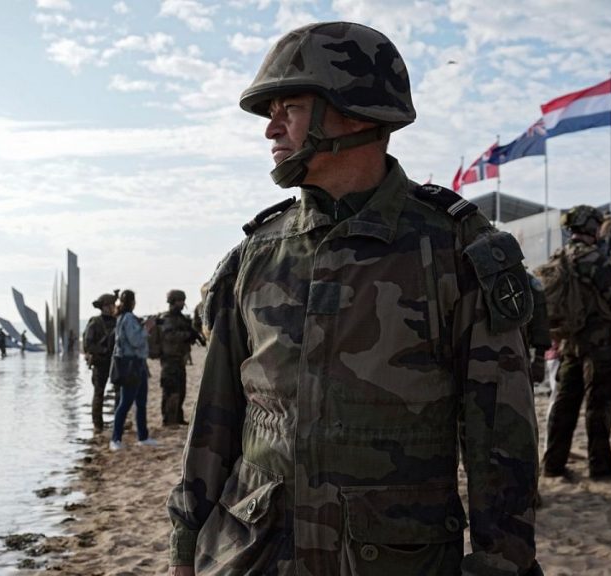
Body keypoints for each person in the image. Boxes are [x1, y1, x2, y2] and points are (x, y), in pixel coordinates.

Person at [166, 22, 541, 576]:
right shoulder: (256, 255)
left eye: (288, 108)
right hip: (253, 554)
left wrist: (501, 564)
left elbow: (501, 440)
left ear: (357, 112)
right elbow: (214, 423)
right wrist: (184, 548)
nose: (270, 129)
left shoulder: (454, 251)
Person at [543, 205, 611, 479]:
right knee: (599, 405)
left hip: (569, 344)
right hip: (597, 346)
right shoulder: (594, 259)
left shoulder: (560, 256)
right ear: (590, 226)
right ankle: (600, 465)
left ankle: (552, 464)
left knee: (565, 405)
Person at [109, 289, 157, 451]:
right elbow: (135, 340)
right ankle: (115, 439)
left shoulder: (123, 317)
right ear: (132, 302)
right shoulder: (128, 318)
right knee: (125, 403)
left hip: (138, 364)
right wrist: (147, 328)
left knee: (141, 402)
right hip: (132, 365)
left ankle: (143, 437)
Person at [148, 289, 204, 426]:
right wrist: (187, 335)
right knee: (171, 390)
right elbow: (170, 336)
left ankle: (177, 417)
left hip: (179, 359)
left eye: (183, 300)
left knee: (181, 390)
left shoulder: (180, 318)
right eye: (180, 300)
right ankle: (169, 420)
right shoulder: (167, 318)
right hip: (169, 359)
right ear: (173, 301)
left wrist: (193, 335)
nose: (182, 303)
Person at [83, 293, 118, 432]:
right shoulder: (95, 322)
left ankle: (118, 421)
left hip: (114, 362)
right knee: (99, 393)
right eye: (111, 305)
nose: (113, 308)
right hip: (100, 362)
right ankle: (98, 424)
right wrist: (103, 350)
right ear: (104, 307)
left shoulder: (117, 321)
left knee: (119, 392)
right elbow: (88, 344)